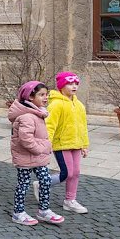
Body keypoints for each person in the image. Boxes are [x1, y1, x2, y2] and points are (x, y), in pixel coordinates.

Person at [9, 81, 65, 226]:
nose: (45, 97)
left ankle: (44, 210)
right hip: (26, 157)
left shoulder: (38, 113)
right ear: (30, 97)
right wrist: (40, 149)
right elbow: (25, 139)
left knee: (45, 181)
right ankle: (18, 213)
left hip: (38, 157)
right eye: (41, 95)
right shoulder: (27, 116)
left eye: (46, 94)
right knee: (23, 184)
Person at [43, 71, 90, 214]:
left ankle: (70, 200)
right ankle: (44, 184)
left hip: (76, 144)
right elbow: (49, 126)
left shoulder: (79, 105)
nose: (74, 86)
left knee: (76, 172)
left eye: (76, 83)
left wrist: (84, 145)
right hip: (61, 144)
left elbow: (83, 126)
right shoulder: (56, 104)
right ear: (61, 86)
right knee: (68, 173)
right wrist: (47, 143)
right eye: (70, 84)